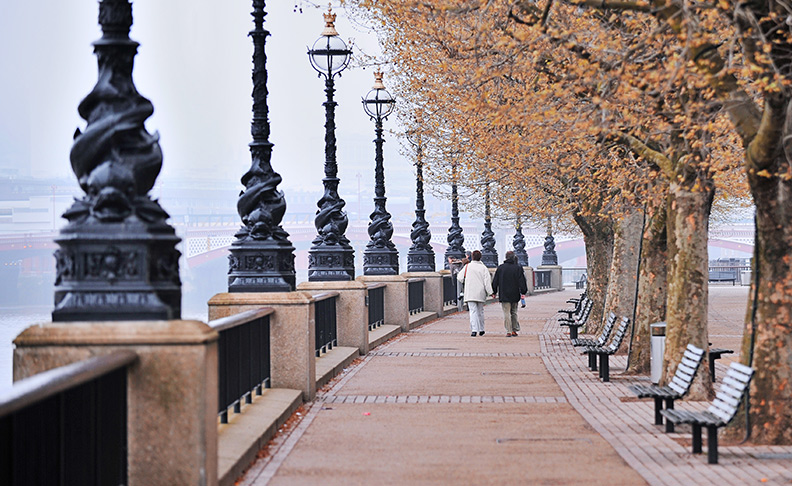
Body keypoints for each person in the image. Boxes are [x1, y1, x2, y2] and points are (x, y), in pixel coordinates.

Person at [492, 251, 528, 337]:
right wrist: (523, 291)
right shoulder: (518, 268)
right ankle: (514, 330)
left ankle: (508, 330)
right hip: (515, 293)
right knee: (514, 312)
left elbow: (495, 281)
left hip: (504, 293)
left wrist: (494, 291)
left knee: (506, 312)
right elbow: (522, 281)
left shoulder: (501, 268)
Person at [457, 250, 493, 337]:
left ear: (472, 257)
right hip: (480, 292)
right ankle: (481, 329)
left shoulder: (467, 267)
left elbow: (459, 277)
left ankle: (474, 330)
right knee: (480, 311)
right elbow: (487, 282)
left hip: (470, 292)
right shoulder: (483, 268)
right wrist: (490, 292)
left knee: (473, 311)